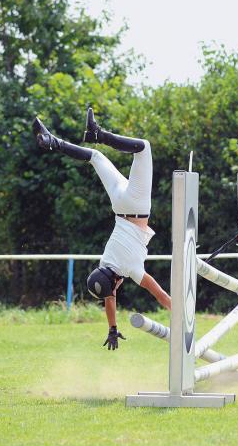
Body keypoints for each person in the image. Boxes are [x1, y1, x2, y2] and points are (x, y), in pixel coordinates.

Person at [32, 108, 171, 350]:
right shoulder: (106, 262)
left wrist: (179, 312)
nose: (114, 292)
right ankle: (53, 141)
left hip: (137, 205)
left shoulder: (130, 270)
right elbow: (108, 295)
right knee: (95, 156)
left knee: (144, 147)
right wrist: (112, 327)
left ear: (115, 283)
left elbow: (158, 294)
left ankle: (98, 134)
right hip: (119, 203)